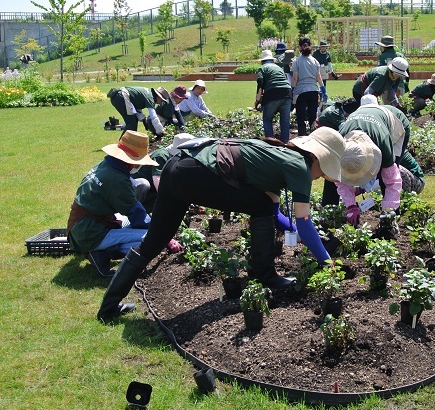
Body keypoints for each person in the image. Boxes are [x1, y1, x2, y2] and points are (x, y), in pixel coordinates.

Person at [96, 127, 346, 321]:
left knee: (154, 241)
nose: (319, 177)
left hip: (177, 168)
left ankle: (108, 307)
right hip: (195, 174)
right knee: (258, 205)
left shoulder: (277, 154)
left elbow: (273, 213)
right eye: (322, 171)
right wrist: (326, 261)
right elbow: (302, 221)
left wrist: (294, 233)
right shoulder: (299, 168)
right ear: (316, 157)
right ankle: (265, 275)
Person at [66, 131, 158, 277]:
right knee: (152, 239)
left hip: (82, 227)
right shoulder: (117, 180)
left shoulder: (105, 166)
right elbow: (137, 214)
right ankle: (101, 252)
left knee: (141, 228)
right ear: (131, 160)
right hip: (91, 233)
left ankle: (102, 248)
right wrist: (162, 234)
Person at [331, 95, 410, 227]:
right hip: (369, 122)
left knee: (387, 177)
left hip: (397, 124)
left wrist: (388, 212)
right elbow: (340, 180)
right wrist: (350, 206)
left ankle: (392, 219)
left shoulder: (383, 142)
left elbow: (393, 181)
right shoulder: (340, 141)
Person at [131, 133, 195, 212]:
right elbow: (158, 181)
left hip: (151, 189)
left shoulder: (174, 157)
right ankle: (138, 211)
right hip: (139, 190)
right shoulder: (161, 156)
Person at [291, 37, 326, 137]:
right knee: (312, 117)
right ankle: (313, 137)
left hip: (301, 91)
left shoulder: (296, 61)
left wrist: (292, 90)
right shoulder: (315, 61)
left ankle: (302, 137)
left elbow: (295, 78)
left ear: (299, 47)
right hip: (314, 91)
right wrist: (323, 89)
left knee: (301, 117)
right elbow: (319, 78)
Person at [255, 49, 292, 143]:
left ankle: (271, 143)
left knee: (267, 119)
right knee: (285, 121)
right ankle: (285, 143)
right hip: (287, 93)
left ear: (262, 61)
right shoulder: (279, 68)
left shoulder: (262, 68)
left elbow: (260, 84)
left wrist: (258, 100)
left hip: (272, 93)